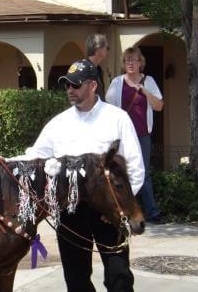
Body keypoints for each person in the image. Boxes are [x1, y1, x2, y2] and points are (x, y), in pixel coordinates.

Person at [20, 59, 144, 291]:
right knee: (76, 280)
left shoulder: (117, 118)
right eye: (67, 85)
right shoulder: (58, 124)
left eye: (75, 85)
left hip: (107, 211)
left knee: (120, 278)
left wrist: (120, 206)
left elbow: (135, 168)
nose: (70, 90)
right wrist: (3, 161)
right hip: (70, 211)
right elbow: (34, 157)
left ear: (92, 86)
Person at [106, 46, 165, 225]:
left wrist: (145, 92)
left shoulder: (149, 81)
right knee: (121, 173)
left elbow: (159, 106)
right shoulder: (117, 83)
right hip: (122, 136)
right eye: (127, 60)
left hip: (142, 135)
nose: (130, 63)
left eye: (134, 60)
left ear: (141, 62)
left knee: (144, 173)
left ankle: (152, 213)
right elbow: (109, 109)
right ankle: (123, 211)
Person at [85, 33, 109, 101]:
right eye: (107, 48)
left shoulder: (98, 69)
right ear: (98, 49)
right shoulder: (84, 70)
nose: (107, 51)